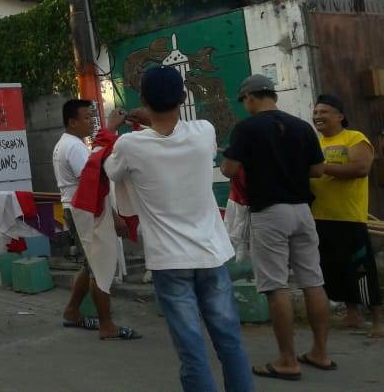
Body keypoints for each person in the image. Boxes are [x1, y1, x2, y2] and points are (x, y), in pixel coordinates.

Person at [105, 66, 252, 392]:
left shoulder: (129, 145)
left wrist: (115, 128)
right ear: (184, 97)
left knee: (192, 349)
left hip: (169, 261)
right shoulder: (204, 132)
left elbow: (110, 170)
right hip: (211, 254)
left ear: (143, 100)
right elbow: (174, 134)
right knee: (230, 342)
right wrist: (153, 120)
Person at [221, 75, 334, 381]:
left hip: (270, 213)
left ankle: (287, 359)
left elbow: (229, 169)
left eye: (244, 100)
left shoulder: (246, 129)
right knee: (313, 281)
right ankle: (320, 353)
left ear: (249, 97)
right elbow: (318, 170)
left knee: (275, 286)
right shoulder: (302, 126)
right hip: (302, 211)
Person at [53, 99, 137, 341]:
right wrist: (114, 217)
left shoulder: (66, 144)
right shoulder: (74, 148)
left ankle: (72, 311)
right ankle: (106, 324)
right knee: (100, 267)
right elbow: (93, 185)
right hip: (86, 212)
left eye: (92, 117)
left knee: (90, 265)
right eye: (87, 118)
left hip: (77, 210)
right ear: (72, 122)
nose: (91, 122)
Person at [310, 94, 382, 338]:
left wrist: (321, 168)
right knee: (335, 269)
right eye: (316, 112)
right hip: (320, 216)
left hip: (349, 217)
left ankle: (378, 320)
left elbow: (361, 168)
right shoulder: (316, 144)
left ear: (340, 116)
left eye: (324, 112)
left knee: (362, 269)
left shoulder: (355, 138)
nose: (318, 116)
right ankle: (353, 315)